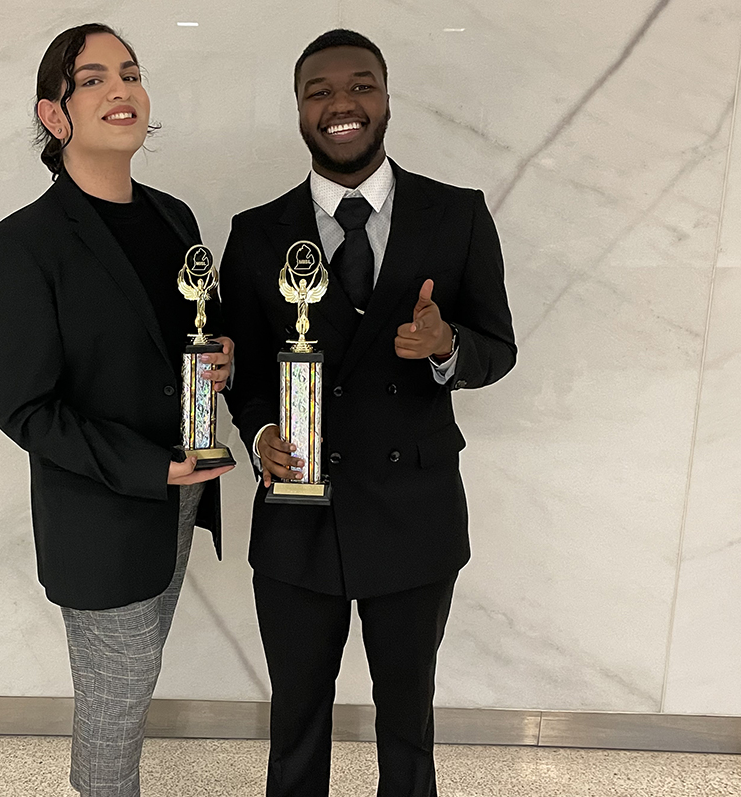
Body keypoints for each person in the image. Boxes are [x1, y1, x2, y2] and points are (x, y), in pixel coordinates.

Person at [220, 29, 516, 797]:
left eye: (360, 86)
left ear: (387, 100)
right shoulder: (255, 233)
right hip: (296, 517)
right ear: (298, 109)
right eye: (319, 90)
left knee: (408, 724)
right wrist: (259, 434)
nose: (340, 103)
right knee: (296, 725)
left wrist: (449, 346)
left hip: (414, 512)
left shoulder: (457, 216)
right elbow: (239, 369)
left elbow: (498, 346)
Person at [0, 23, 234, 797]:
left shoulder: (174, 218)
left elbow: (194, 335)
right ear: (54, 116)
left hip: (181, 499)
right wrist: (151, 466)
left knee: (135, 681)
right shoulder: (22, 244)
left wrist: (226, 357)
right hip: (102, 512)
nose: (120, 90)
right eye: (92, 79)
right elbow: (24, 407)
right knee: (117, 702)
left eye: (130, 73)